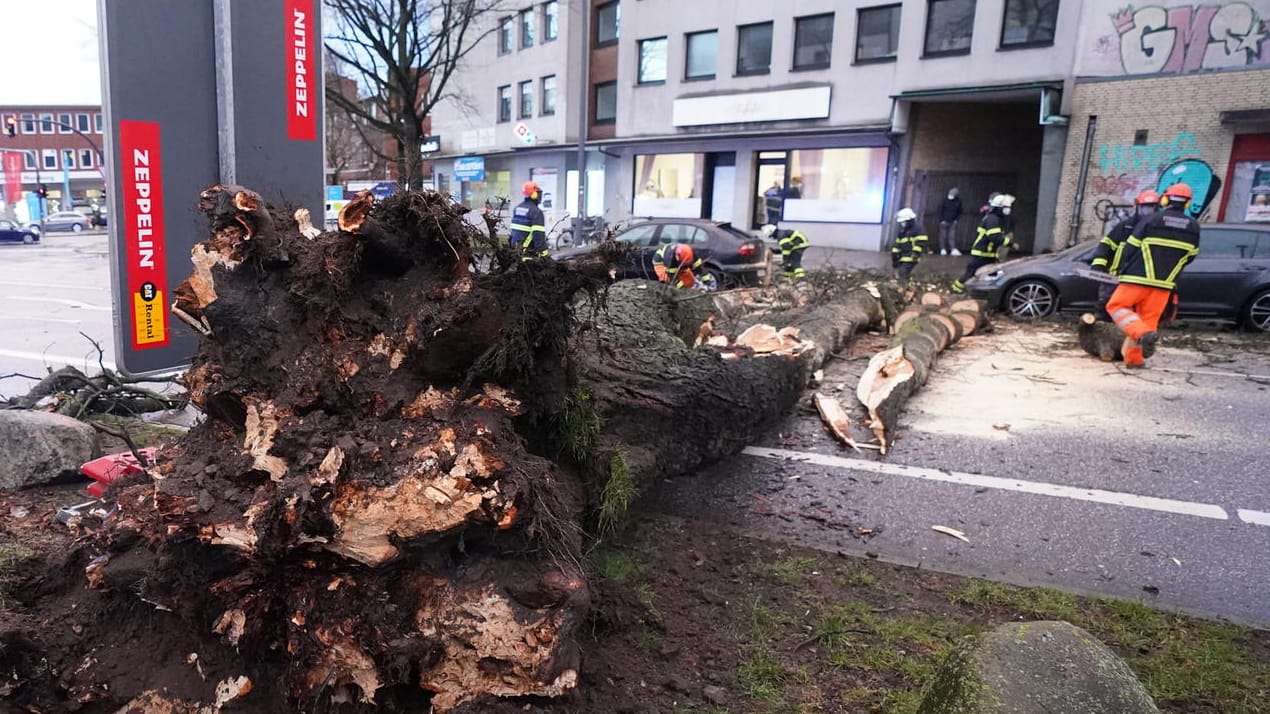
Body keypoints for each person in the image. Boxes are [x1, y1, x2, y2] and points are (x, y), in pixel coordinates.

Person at [1105, 183, 1200, 368]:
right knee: (1148, 320)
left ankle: (1140, 334)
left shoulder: (1152, 220)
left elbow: (1130, 246)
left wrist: (1121, 268)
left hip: (1136, 278)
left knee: (1116, 306)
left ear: (1165, 199)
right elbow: (1191, 256)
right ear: (1188, 203)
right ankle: (1134, 360)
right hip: (1163, 284)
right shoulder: (1194, 227)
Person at [1089, 190, 1159, 319]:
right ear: (1137, 207)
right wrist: (1098, 264)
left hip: (1142, 279)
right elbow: (1106, 244)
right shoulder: (1125, 226)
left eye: (1151, 209)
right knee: (1105, 306)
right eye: (1144, 208)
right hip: (1116, 276)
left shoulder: (1158, 229)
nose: (1147, 213)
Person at [951, 194, 1013, 294]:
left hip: (987, 253)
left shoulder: (996, 219)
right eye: (1006, 207)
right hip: (982, 253)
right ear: (999, 208)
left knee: (989, 274)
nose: (1008, 210)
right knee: (971, 273)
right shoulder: (993, 219)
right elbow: (994, 237)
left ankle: (979, 292)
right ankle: (956, 290)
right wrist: (1009, 243)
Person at [509, 181, 548, 259]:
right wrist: (544, 253)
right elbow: (538, 234)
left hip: (514, 251)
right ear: (534, 195)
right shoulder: (536, 212)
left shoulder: (517, 208)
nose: (540, 196)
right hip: (527, 253)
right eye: (538, 193)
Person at [891, 208, 929, 281]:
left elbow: (921, 242)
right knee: (900, 272)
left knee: (903, 272)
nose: (902, 224)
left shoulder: (917, 229)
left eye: (903, 222)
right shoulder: (902, 231)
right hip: (902, 256)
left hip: (911, 256)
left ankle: (904, 287)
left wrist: (915, 253)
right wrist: (895, 258)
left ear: (909, 220)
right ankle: (904, 284)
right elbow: (897, 245)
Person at [937, 187, 963, 256]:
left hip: (953, 221)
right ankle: (942, 249)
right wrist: (941, 220)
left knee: (952, 236)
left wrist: (956, 220)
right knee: (943, 236)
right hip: (944, 221)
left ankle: (952, 249)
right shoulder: (944, 200)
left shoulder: (958, 201)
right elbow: (940, 210)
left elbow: (960, 211)